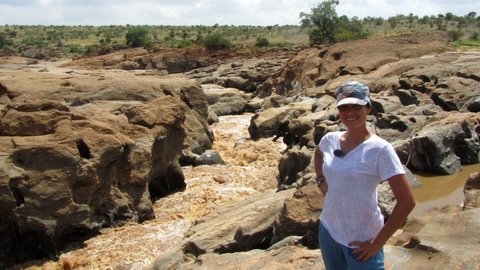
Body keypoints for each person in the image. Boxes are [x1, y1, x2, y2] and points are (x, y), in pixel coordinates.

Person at [314, 81, 416, 270]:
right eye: (344, 107)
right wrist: (321, 180)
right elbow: (318, 154)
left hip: (363, 238)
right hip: (329, 229)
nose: (350, 112)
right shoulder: (330, 139)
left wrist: (377, 243)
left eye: (356, 106)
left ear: (368, 108)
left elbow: (407, 201)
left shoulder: (380, 149)